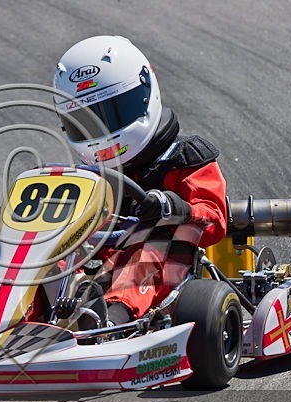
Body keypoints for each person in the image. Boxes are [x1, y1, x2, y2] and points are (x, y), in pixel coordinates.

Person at [52, 35, 228, 325]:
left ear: (144, 94)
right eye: (85, 121)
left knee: (151, 248)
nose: (102, 130)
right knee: (44, 249)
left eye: (112, 113)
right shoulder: (87, 174)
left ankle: (110, 320)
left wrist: (173, 207)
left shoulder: (184, 157)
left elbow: (215, 220)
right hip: (101, 263)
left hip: (169, 266)